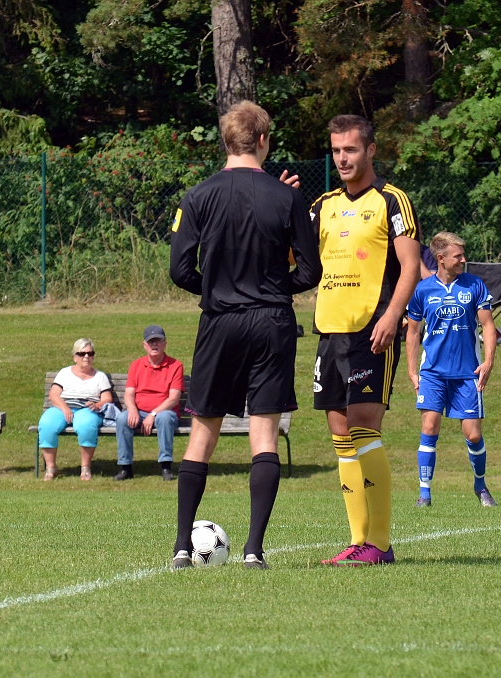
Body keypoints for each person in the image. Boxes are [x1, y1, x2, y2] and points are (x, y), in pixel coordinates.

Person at [168, 101, 322, 569]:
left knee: (202, 434)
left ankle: (180, 547)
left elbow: (179, 270)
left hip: (219, 321)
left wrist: (214, 291)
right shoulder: (287, 197)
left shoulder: (197, 196)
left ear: (226, 142)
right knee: (265, 436)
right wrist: (276, 290)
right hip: (271, 322)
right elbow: (312, 269)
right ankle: (254, 550)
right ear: (262, 140)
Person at [310, 114, 421, 567]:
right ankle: (359, 542)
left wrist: (393, 316)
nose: (342, 158)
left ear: (370, 150)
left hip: (372, 330)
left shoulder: (392, 201)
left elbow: (411, 265)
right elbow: (294, 255)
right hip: (329, 329)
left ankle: (380, 541)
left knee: (363, 426)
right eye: (336, 150)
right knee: (340, 432)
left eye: (350, 150)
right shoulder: (322, 205)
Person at [406, 231, 498, 508]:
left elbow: (489, 326)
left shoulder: (474, 286)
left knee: (473, 434)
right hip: (433, 372)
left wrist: (489, 360)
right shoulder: (423, 289)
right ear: (441, 258)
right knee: (430, 427)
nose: (463, 260)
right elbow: (412, 332)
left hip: (467, 373)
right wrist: (413, 370)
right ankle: (425, 494)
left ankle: (480, 486)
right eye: (458, 256)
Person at [114, 325, 185, 481]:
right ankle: (126, 467)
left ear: (165, 343)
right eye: (151, 341)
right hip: (139, 411)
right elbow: (129, 394)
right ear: (144, 345)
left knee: (164, 418)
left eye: (158, 341)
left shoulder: (175, 365)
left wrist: (153, 414)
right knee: (122, 419)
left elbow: (173, 398)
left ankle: (166, 466)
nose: (155, 345)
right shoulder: (136, 365)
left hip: (165, 412)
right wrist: (132, 410)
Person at [37, 338, 113, 481]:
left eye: (90, 354)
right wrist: (65, 408)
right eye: (82, 353)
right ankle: (51, 467)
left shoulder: (100, 376)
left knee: (86, 425)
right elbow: (54, 395)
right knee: (47, 424)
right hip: (62, 407)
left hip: (87, 409)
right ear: (75, 357)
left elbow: (107, 398)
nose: (86, 357)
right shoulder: (65, 373)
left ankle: (85, 468)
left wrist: (97, 405)